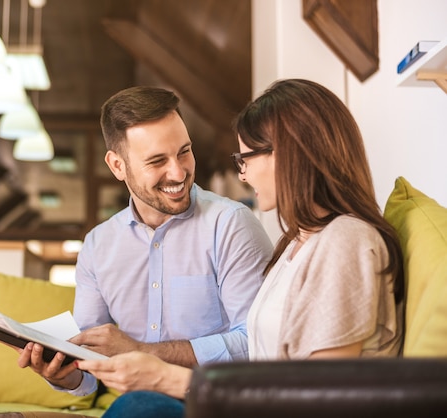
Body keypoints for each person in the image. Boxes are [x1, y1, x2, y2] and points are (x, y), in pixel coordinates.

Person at [76, 79, 405, 417]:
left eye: (246, 158)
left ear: (287, 156)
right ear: (117, 165)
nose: (243, 176)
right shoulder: (296, 246)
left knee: (139, 407)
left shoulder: (345, 242)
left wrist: (169, 379)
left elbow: (320, 396)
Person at [15, 86, 274, 397]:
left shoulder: (231, 225)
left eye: (184, 151)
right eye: (156, 161)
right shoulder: (97, 246)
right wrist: (61, 375)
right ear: (117, 166)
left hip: (213, 402)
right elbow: (89, 371)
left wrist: (142, 351)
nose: (178, 173)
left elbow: (258, 343)